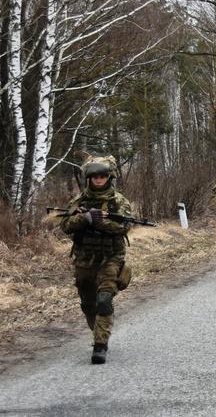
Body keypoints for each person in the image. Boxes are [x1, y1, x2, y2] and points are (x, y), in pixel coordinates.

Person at [59, 155, 133, 364]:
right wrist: (85, 218)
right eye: (94, 176)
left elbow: (124, 227)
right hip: (84, 258)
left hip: (111, 257)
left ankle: (100, 345)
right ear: (89, 178)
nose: (98, 179)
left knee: (104, 300)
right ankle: (98, 331)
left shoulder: (118, 201)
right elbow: (65, 225)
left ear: (108, 177)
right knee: (88, 303)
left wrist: (100, 221)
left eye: (102, 176)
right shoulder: (79, 201)